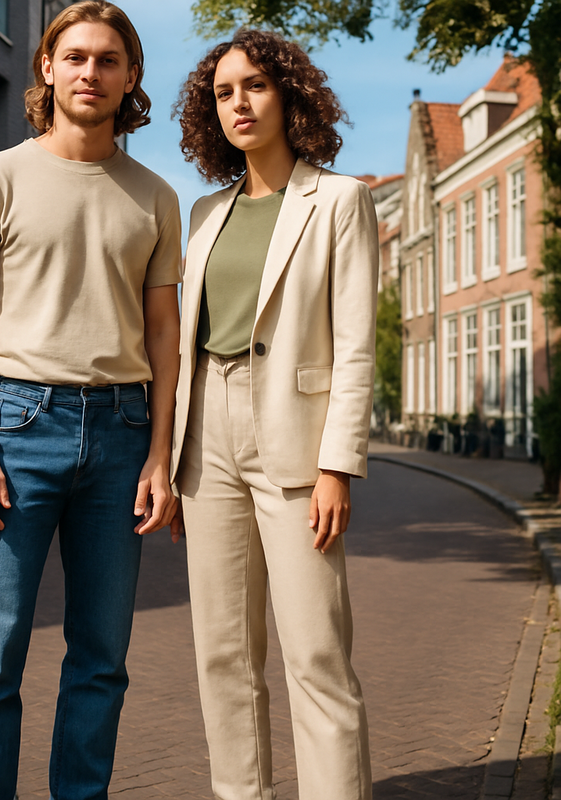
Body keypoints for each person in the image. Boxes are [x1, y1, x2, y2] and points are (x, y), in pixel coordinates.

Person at [0, 3, 181, 798]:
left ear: (130, 78)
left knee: (101, 661)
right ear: (46, 67)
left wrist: (160, 456)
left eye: (108, 60)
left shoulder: (154, 196)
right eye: (74, 57)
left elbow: (164, 336)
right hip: (18, 430)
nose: (90, 72)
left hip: (121, 435)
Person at [170, 29, 377, 800]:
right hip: (207, 444)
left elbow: (355, 343)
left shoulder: (341, 200)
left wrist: (337, 464)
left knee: (316, 654)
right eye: (224, 92)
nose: (239, 102)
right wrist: (174, 459)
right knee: (222, 653)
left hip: (295, 439)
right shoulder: (202, 213)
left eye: (254, 84)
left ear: (289, 93)